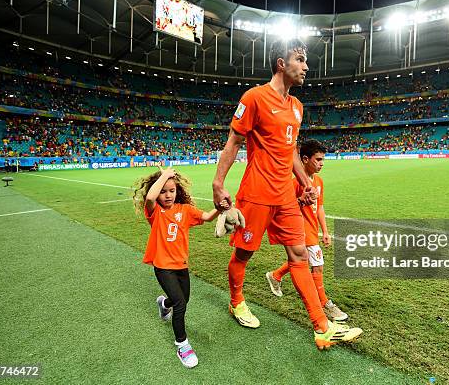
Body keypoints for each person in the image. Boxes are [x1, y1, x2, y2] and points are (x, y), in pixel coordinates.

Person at [212, 38, 362, 350]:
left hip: (285, 197)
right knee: (243, 254)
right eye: (300, 59)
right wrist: (218, 183)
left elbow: (291, 149)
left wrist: (304, 179)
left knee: (299, 255)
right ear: (282, 63)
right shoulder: (254, 98)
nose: (306, 67)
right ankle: (236, 301)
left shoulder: (297, 107)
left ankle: (322, 326)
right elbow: (234, 142)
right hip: (255, 194)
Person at [134, 166, 220, 368]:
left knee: (182, 299)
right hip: (163, 266)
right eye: (163, 191)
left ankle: (164, 304)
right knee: (181, 304)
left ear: (177, 191)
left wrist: (220, 208)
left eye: (171, 190)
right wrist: (165, 175)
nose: (168, 195)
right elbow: (149, 199)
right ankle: (182, 344)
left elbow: (207, 217)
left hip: (181, 266)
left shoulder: (185, 210)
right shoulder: (156, 212)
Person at [265, 139, 348, 322]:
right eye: (318, 159)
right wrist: (300, 201)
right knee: (317, 266)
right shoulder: (294, 184)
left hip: (312, 229)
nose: (322, 163)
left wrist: (325, 231)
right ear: (304, 159)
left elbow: (319, 207)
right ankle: (325, 305)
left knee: (303, 261)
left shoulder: (318, 181)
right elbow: (282, 210)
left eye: (323, 159)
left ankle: (275, 275)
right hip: (299, 231)